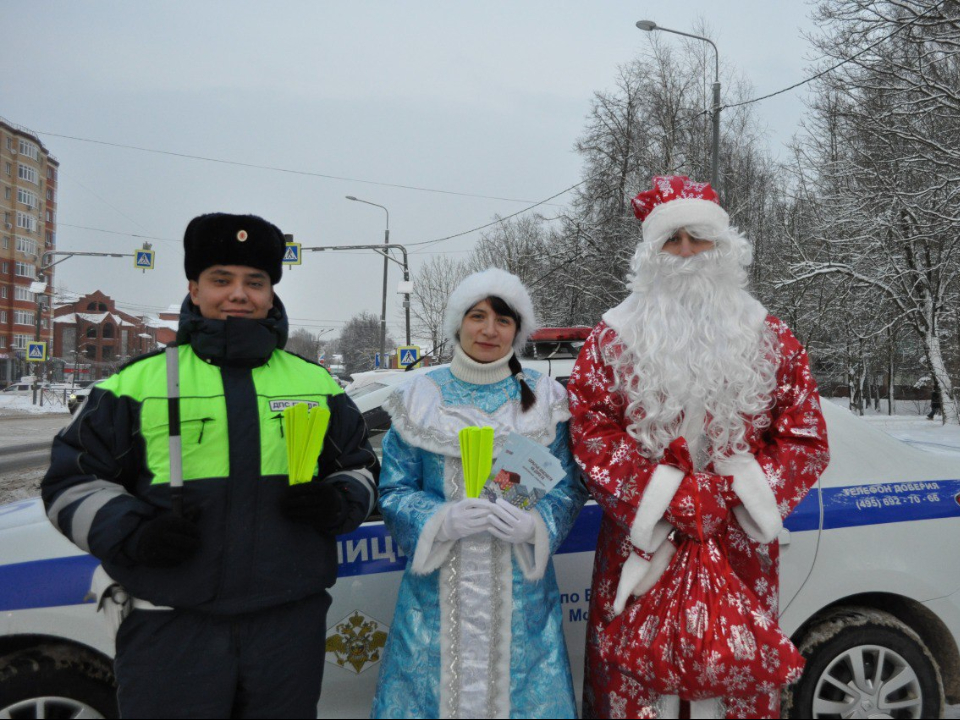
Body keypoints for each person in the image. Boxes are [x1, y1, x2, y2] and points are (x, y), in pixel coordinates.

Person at [42, 213, 379, 719]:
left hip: (287, 628)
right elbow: (72, 482)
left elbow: (361, 468)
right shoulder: (133, 384)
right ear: (194, 289)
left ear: (270, 293)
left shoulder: (319, 386)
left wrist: (339, 499)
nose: (239, 294)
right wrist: (133, 532)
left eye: (255, 282)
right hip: (170, 628)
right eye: (222, 279)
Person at [568, 176, 830, 719]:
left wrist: (733, 492)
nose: (686, 252)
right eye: (672, 240)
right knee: (634, 685)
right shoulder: (610, 338)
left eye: (699, 238)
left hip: (738, 550)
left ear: (724, 247)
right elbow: (591, 433)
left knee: (731, 682)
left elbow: (804, 437)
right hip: (642, 546)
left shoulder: (771, 335)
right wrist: (668, 493)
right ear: (651, 253)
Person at [371, 268, 587, 719]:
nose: (489, 330)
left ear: (517, 330)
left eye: (504, 320)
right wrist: (437, 519)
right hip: (434, 605)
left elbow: (567, 488)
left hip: (522, 607)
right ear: (458, 322)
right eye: (478, 316)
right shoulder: (418, 397)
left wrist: (536, 524)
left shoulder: (545, 399)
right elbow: (393, 489)